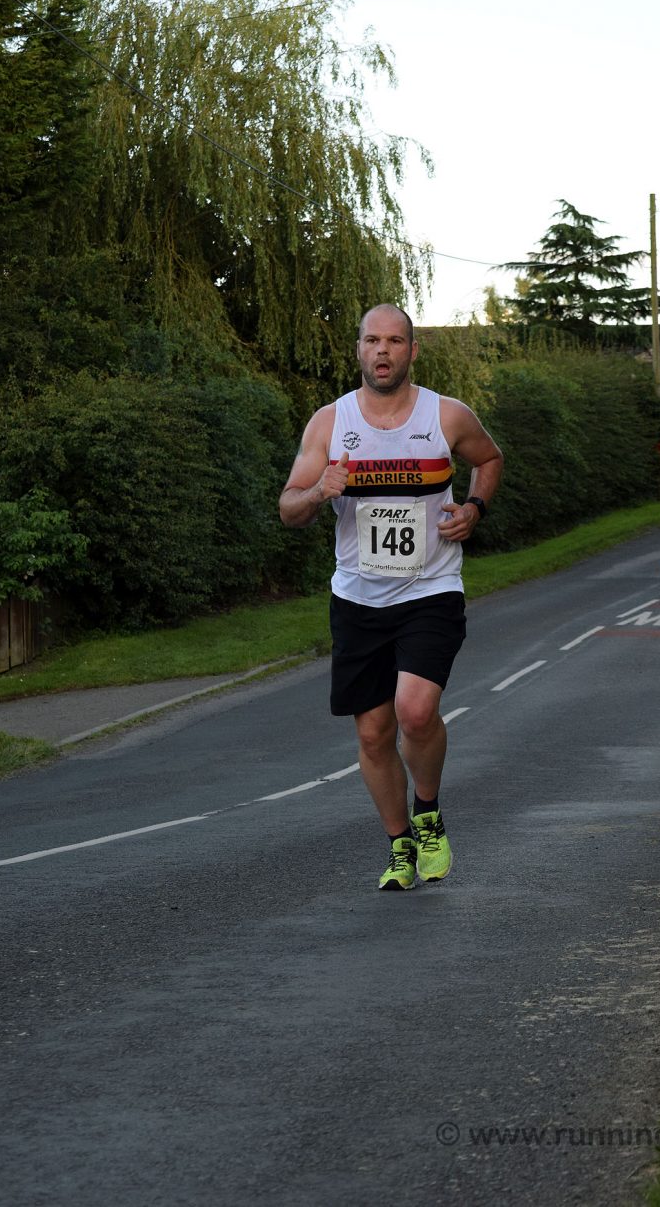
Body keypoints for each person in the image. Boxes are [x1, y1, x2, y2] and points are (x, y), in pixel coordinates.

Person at [279, 304, 503, 891]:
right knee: (374, 733)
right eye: (372, 341)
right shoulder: (330, 423)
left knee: (415, 711)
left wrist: (474, 509)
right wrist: (317, 492)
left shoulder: (446, 416)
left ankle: (428, 813)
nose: (383, 351)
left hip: (431, 588)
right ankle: (400, 844)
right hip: (357, 597)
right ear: (357, 350)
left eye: (395, 341)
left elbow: (489, 459)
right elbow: (288, 508)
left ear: (412, 351)